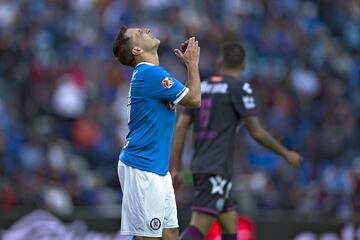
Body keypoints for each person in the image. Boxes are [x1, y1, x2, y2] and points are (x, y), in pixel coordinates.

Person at [171, 42, 303, 240]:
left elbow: (181, 127)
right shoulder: (239, 88)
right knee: (198, 227)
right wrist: (286, 153)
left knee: (230, 223)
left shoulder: (202, 87)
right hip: (215, 168)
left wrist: (177, 167)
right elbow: (256, 132)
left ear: (220, 61)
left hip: (204, 164)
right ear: (243, 65)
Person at [112, 26, 201, 240]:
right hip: (142, 167)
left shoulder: (151, 75)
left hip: (157, 169)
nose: (146, 29)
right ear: (136, 50)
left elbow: (190, 97)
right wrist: (192, 64)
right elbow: (195, 100)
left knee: (169, 235)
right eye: (139, 33)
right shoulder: (150, 73)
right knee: (148, 237)